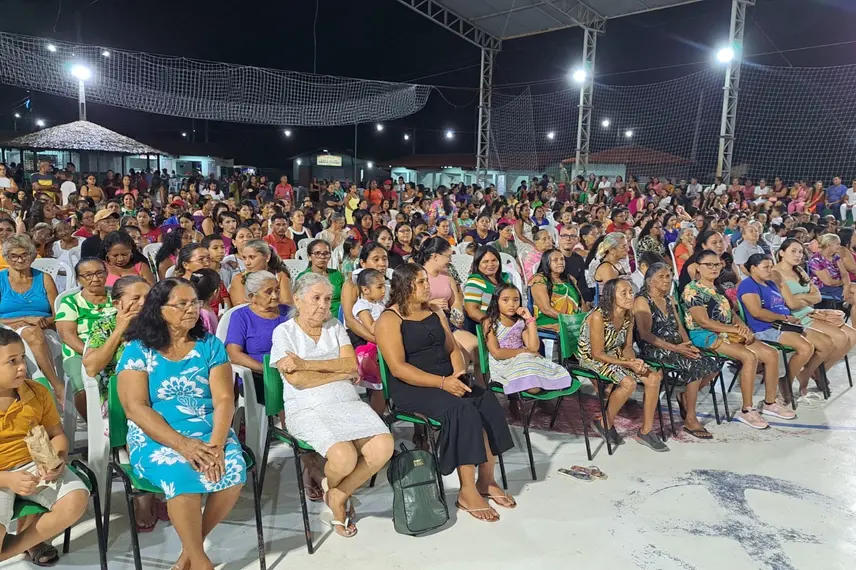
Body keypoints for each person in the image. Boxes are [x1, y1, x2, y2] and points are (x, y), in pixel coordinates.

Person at [117, 278, 246, 570]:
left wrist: (215, 444)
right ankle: (201, 562)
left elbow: (225, 399)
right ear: (159, 309)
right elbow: (135, 407)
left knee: (233, 471)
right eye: (182, 304)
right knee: (180, 473)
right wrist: (183, 445)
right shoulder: (139, 349)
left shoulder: (210, 344)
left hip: (207, 427)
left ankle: (189, 554)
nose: (192, 310)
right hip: (156, 433)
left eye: (195, 303)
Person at [376, 264, 515, 523]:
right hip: (413, 387)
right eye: (420, 282)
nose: (427, 286)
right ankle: (467, 491)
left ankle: (486, 480)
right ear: (405, 286)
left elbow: (452, 348)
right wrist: (442, 383)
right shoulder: (389, 319)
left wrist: (459, 373)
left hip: (446, 379)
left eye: (425, 281)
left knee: (485, 400)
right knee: (462, 410)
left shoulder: (435, 311)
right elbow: (398, 368)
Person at [271, 272, 393, 537]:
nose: (323, 305)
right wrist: (337, 372)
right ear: (298, 300)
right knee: (344, 456)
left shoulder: (335, 327)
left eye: (327, 299)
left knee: (384, 446)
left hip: (347, 401)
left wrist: (305, 363)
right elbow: (300, 381)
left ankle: (338, 493)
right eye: (316, 298)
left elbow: (351, 365)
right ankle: (336, 493)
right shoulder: (284, 332)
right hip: (307, 406)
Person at [0, 328, 90, 567]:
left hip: (34, 464)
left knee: (76, 499)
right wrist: (7, 480)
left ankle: (14, 547)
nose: (22, 366)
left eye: (21, 358)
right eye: (12, 361)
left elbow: (56, 435)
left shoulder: (36, 392)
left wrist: (57, 459)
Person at [683, 249, 795, 429]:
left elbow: (730, 313)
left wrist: (743, 327)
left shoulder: (717, 287)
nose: (714, 268)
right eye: (709, 265)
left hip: (729, 331)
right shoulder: (692, 290)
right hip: (706, 335)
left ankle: (770, 403)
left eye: (717, 264)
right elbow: (703, 322)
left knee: (771, 354)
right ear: (698, 267)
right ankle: (747, 410)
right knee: (750, 357)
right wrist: (734, 329)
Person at [577, 279, 668, 451]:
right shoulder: (598, 316)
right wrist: (628, 364)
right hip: (592, 358)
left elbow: (626, 347)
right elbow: (597, 353)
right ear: (611, 296)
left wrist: (634, 362)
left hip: (615, 354)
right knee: (629, 383)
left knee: (654, 377)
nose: (629, 296)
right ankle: (604, 422)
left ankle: (646, 431)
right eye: (624, 293)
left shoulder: (628, 315)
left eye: (630, 292)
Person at [633, 263, 721, 439]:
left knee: (714, 362)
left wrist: (688, 344)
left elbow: (679, 326)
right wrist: (676, 348)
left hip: (675, 346)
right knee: (693, 365)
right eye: (661, 277)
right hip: (655, 348)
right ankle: (690, 418)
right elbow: (645, 335)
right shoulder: (643, 300)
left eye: (668, 276)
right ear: (650, 281)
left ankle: (684, 396)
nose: (667, 280)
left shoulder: (668, 299)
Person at [738, 253, 829, 404]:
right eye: (765, 267)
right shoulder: (748, 285)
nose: (769, 270)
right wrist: (786, 318)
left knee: (824, 342)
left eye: (770, 266)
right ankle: (787, 381)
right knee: (806, 348)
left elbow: (783, 305)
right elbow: (757, 312)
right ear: (753, 269)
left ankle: (797, 376)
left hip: (786, 323)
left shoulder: (770, 283)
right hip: (766, 327)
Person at [773, 238, 856, 401]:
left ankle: (815, 371)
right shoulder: (776, 273)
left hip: (811, 310)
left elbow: (817, 296)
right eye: (793, 251)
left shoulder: (800, 270)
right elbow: (790, 303)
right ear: (782, 253)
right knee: (839, 338)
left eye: (800, 252)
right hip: (796, 316)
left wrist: (802, 298)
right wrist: (806, 297)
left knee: (852, 335)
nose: (798, 255)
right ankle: (806, 374)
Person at [0, 234, 62, 397]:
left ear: (32, 256)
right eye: (14, 256)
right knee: (31, 333)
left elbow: (58, 314)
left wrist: (43, 322)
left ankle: (44, 387)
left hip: (44, 330)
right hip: (6, 330)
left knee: (33, 333)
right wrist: (24, 320)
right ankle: (56, 386)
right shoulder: (0, 280)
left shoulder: (44, 278)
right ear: (6, 257)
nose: (19, 260)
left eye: (24, 255)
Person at [482, 282, 572, 395]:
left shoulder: (520, 322)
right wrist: (524, 351)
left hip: (523, 358)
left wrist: (530, 320)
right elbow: (497, 353)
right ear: (496, 302)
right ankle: (518, 401)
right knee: (533, 384)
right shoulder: (490, 322)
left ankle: (539, 393)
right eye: (505, 300)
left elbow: (533, 348)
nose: (511, 304)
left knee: (544, 369)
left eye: (516, 300)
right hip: (503, 364)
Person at [55, 257, 117, 419]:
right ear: (78, 279)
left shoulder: (117, 298)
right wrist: (92, 354)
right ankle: (95, 426)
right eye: (88, 275)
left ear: (106, 273)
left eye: (99, 273)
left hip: (115, 348)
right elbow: (67, 335)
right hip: (79, 352)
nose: (95, 279)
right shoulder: (71, 302)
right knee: (82, 383)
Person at [416, 238, 481, 384]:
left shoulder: (447, 275)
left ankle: (478, 386)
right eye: (448, 256)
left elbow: (456, 300)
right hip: (427, 321)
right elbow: (410, 303)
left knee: (477, 347)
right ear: (435, 256)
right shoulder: (418, 275)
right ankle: (457, 384)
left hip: (448, 321)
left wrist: (457, 313)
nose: (450, 260)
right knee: (460, 352)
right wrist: (430, 303)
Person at [529, 248, 583, 332]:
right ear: (547, 263)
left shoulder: (570, 279)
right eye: (555, 260)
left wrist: (585, 318)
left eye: (562, 259)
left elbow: (581, 303)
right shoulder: (539, 280)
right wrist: (570, 320)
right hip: (551, 321)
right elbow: (546, 309)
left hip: (574, 321)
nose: (560, 262)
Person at [229, 239, 293, 306]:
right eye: (244, 258)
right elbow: (241, 307)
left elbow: (287, 305)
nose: (247, 263)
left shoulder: (280, 275)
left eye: (252, 257)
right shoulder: (239, 279)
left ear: (267, 257)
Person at [294, 239, 344, 319]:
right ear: (309, 257)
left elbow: (345, 299)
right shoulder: (304, 277)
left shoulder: (336, 274)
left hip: (338, 317)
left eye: (326, 253)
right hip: (314, 316)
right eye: (317, 253)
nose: (322, 257)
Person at [463, 246, 509, 331]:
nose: (490, 264)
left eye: (494, 260)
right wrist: (493, 323)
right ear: (478, 263)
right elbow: (472, 311)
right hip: (489, 327)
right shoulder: (475, 282)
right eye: (485, 262)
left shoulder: (505, 278)